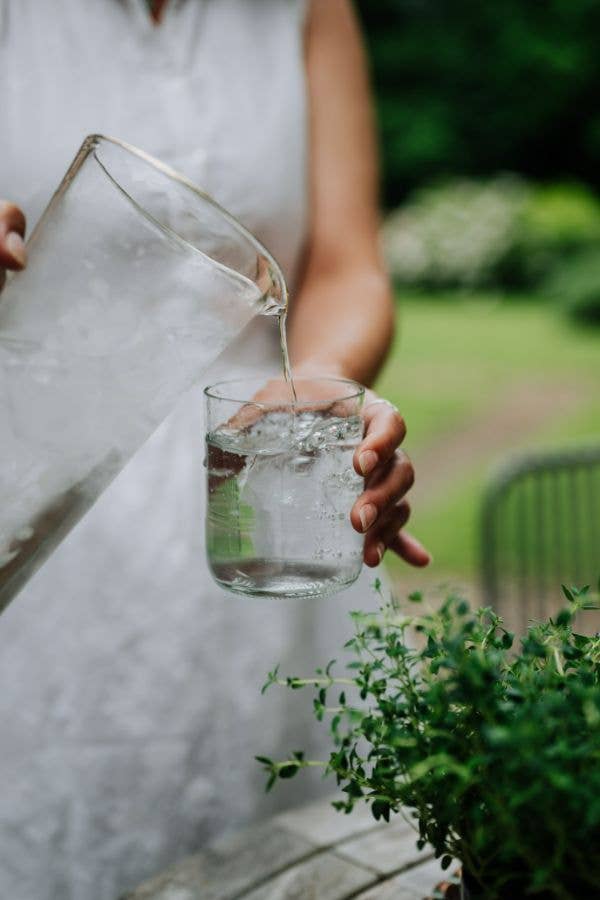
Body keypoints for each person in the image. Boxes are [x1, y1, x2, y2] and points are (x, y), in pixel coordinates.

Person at [0, 1, 429, 898]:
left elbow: (347, 265)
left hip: (264, 506)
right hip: (42, 504)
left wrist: (319, 388)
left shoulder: (307, 9)